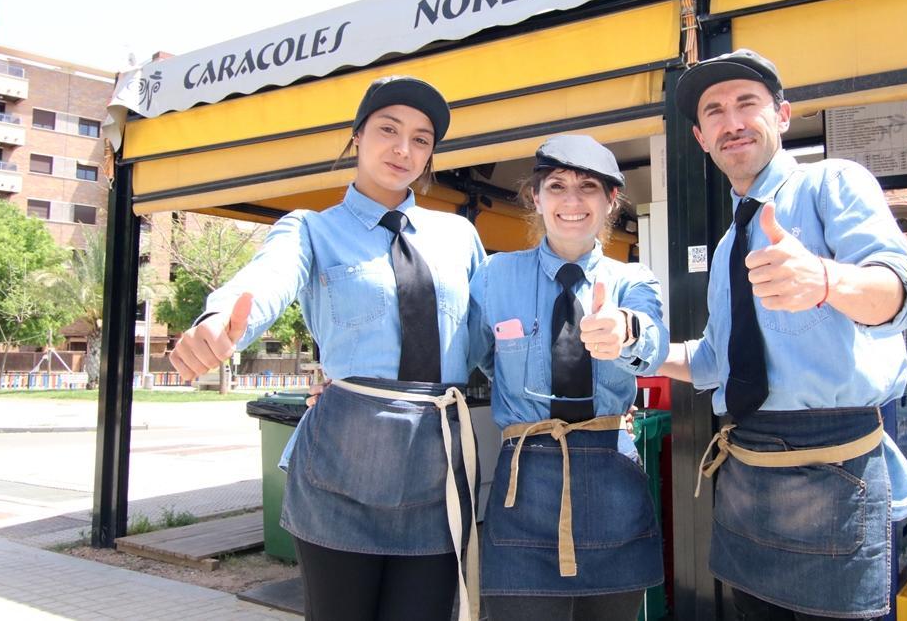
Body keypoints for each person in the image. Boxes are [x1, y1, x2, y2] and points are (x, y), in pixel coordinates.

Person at [168, 76, 484, 621]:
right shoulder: (311, 230)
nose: (403, 149)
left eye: (421, 138)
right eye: (388, 129)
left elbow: (495, 337)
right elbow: (265, 281)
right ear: (356, 136)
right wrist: (220, 322)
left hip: (439, 470)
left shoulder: (460, 236)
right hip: (343, 464)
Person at [659, 49, 907, 620]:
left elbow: (900, 292)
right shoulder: (731, 240)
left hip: (834, 468)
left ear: (782, 115)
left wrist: (825, 278)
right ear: (700, 138)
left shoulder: (833, 183)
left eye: (746, 103)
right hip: (747, 471)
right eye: (714, 112)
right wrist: (638, 347)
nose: (731, 121)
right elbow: (712, 363)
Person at [468, 135, 669, 621]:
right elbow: (467, 358)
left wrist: (624, 331)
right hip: (525, 483)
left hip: (611, 480)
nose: (572, 201)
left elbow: (654, 341)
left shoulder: (634, 280)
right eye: (556, 186)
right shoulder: (495, 276)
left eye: (588, 187)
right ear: (536, 197)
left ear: (610, 202)